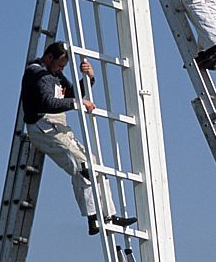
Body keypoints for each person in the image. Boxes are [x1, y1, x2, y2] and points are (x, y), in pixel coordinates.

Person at [21, 42, 136, 236]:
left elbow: (72, 93)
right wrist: (77, 103)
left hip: (57, 126)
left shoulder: (54, 74)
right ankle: (93, 217)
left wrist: (88, 78)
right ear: (49, 58)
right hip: (43, 126)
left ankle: (109, 214)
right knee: (83, 166)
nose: (61, 69)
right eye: (60, 65)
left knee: (94, 164)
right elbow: (47, 102)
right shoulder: (38, 74)